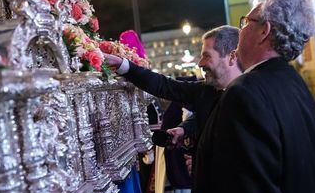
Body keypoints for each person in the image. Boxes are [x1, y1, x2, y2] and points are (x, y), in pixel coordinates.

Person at [193, 0, 315, 193]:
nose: (240, 31)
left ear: (264, 31)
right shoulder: (296, 83)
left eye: (245, 23)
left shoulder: (244, 93)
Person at [103, 25, 242, 144]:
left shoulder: (251, 96)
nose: (200, 63)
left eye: (207, 56)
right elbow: (164, 85)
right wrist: (123, 65)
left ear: (231, 57)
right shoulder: (206, 91)